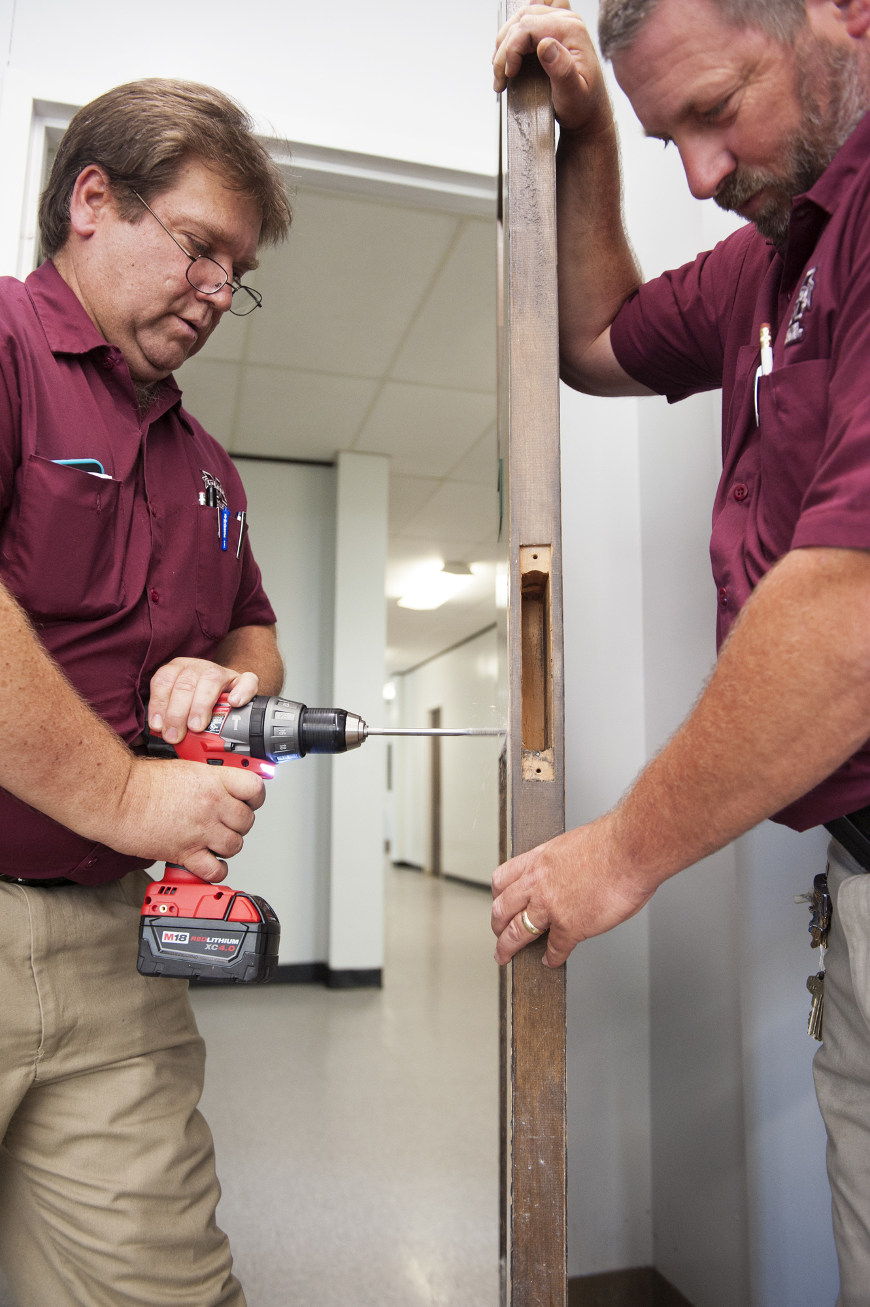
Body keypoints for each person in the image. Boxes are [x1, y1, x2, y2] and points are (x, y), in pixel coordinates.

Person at [492, 0, 870, 1298]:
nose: (702, 175)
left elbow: (849, 611)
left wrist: (620, 847)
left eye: (713, 111)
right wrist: (594, 130)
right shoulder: (771, 254)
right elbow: (596, 339)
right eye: (672, 141)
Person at [0, 79, 292, 1306]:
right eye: (198, 248)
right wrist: (130, 791)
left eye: (237, 271)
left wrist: (225, 675)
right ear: (93, 199)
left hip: (118, 952)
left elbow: (259, 630)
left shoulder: (206, 464)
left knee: (165, 1284)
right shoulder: (7, 349)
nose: (218, 291)